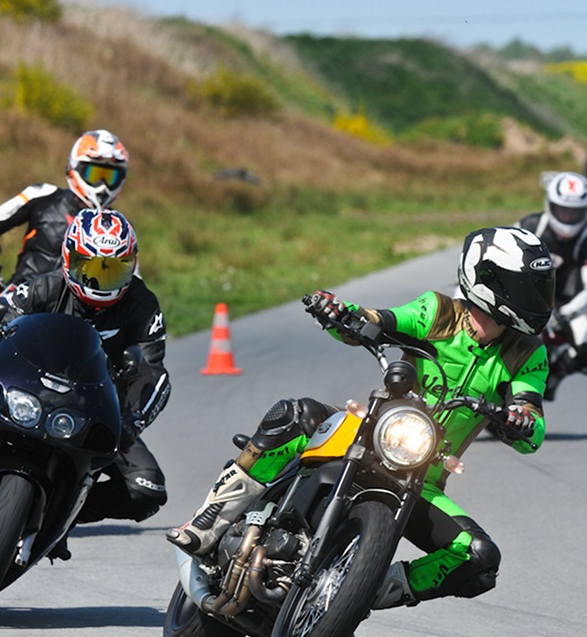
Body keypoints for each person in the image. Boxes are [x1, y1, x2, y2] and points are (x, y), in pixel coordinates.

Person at [168, 225, 555, 612]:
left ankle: (361, 590)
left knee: (479, 557)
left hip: (422, 477)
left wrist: (519, 419)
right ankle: (208, 522)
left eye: (539, 288)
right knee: (294, 414)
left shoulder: (527, 354)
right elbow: (380, 320)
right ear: (486, 279)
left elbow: (530, 417)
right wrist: (343, 313)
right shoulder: (438, 312)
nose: (534, 299)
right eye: (525, 288)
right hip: (368, 436)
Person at [0, 209, 170, 542]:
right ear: (69, 259)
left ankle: (59, 515)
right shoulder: (45, 285)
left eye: (112, 270)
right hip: (23, 389)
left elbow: (152, 372)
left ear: (131, 266)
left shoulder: (143, 306)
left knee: (148, 487)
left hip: (92, 408)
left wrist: (130, 420)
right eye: (90, 267)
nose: (99, 280)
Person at [0, 129, 130, 340]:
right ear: (75, 167)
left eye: (109, 176)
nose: (102, 186)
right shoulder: (42, 195)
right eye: (95, 174)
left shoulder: (118, 228)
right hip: (13, 305)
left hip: (79, 327)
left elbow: (129, 281)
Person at [518, 171, 587, 401]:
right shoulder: (530, 225)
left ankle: (554, 376)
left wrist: (562, 314)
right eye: (563, 209)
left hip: (565, 305)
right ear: (551, 205)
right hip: (522, 298)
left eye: (574, 211)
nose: (567, 216)